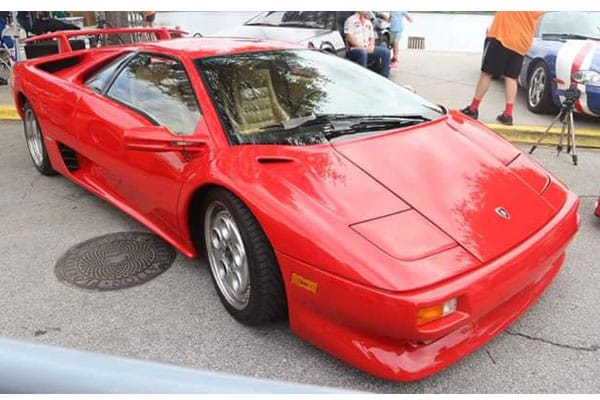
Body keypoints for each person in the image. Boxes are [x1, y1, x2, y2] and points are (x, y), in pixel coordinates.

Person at [461, 11, 544, 125]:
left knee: (486, 74)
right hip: (521, 42)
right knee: (511, 77)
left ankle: (473, 109)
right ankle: (508, 114)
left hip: (502, 37)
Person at [344, 11, 391, 78]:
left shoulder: (368, 22)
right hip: (354, 49)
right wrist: (362, 47)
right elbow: (349, 37)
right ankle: (363, 78)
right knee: (363, 52)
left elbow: (372, 37)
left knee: (386, 52)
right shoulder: (350, 20)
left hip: (367, 47)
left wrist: (371, 46)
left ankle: (384, 76)